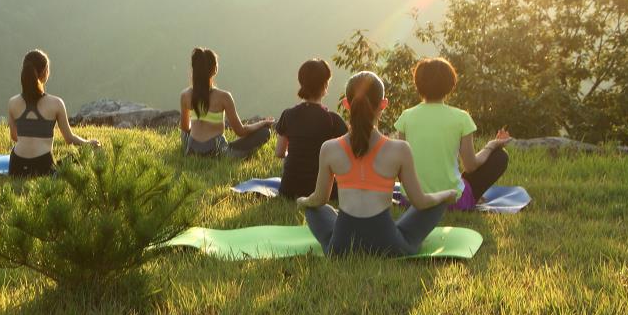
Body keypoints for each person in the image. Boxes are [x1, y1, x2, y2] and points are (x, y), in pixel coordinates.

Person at [297, 71, 457, 256]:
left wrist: (304, 201)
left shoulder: (329, 148)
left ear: (346, 105)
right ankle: (396, 231)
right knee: (435, 202)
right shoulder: (400, 149)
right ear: (384, 105)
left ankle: (337, 238)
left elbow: (319, 199)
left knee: (315, 209)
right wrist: (446, 194)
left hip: (340, 247)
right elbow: (420, 202)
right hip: (390, 246)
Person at [393, 57, 513, 211]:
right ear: (451, 85)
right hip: (453, 202)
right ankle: (469, 195)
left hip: (412, 201)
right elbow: (470, 166)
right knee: (500, 156)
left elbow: (401, 168)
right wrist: (491, 145)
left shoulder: (406, 117)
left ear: (418, 84)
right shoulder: (461, 118)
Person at [6, 49, 99, 177]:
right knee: (83, 153)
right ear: (45, 73)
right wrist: (90, 143)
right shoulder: (56, 103)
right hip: (43, 167)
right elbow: (69, 139)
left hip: (16, 167)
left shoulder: (12, 102)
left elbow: (14, 137)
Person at [178, 47, 274, 158]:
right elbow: (241, 131)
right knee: (265, 132)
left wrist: (198, 129)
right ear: (214, 69)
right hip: (218, 152)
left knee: (185, 133)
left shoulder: (185, 95)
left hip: (191, 151)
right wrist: (262, 123)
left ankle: (197, 148)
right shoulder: (224, 97)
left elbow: (185, 128)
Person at [275, 58, 348, 198]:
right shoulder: (333, 119)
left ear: (301, 83)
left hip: (289, 189)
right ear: (325, 85)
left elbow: (279, 152)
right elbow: (349, 154)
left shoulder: (287, 115)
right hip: (323, 191)